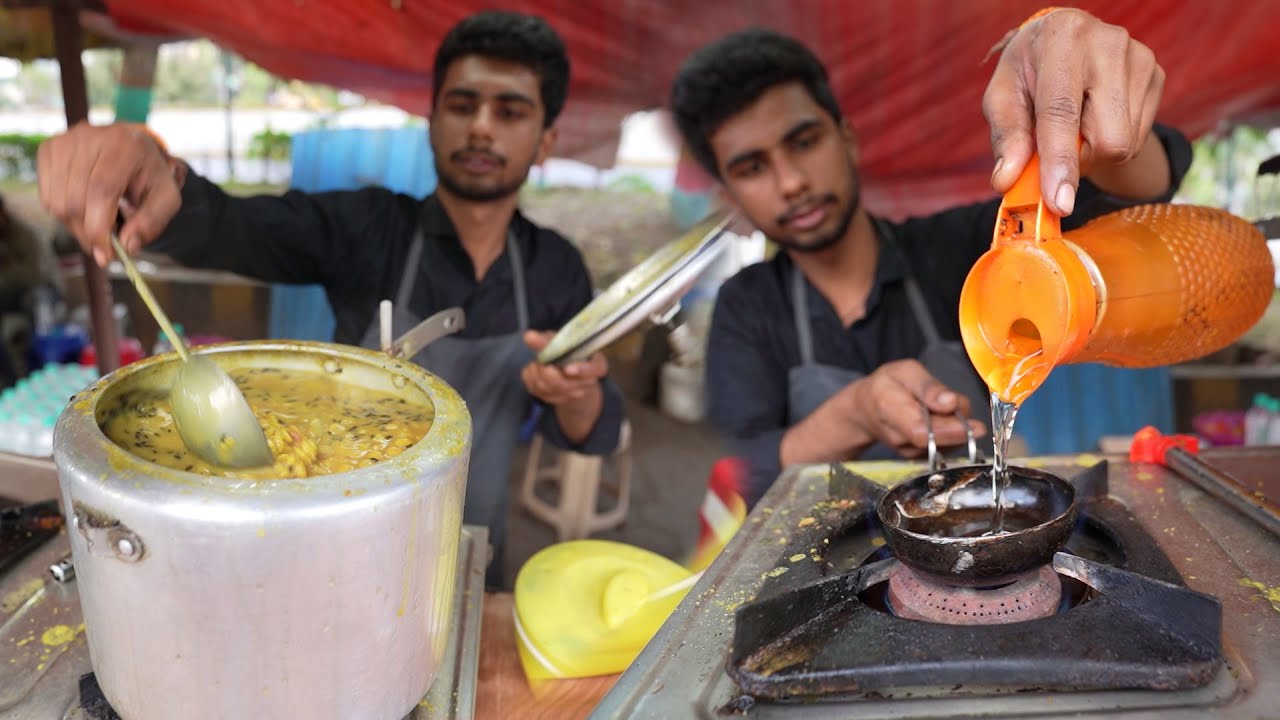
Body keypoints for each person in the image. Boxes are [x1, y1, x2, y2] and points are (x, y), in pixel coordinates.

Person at [36, 11, 625, 587]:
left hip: (473, 555)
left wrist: (577, 392)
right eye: (463, 104)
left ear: (546, 140)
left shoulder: (557, 268)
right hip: (339, 548)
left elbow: (585, 430)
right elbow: (233, 227)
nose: (481, 128)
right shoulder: (367, 227)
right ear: (432, 119)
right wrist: (157, 176)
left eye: (511, 111)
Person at [669, 8, 1193, 505]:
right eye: (752, 168)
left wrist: (1091, 114)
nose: (792, 182)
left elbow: (1135, 196)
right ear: (729, 192)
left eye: (804, 142)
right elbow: (737, 473)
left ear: (846, 139)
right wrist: (856, 415)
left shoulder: (959, 247)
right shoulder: (748, 305)